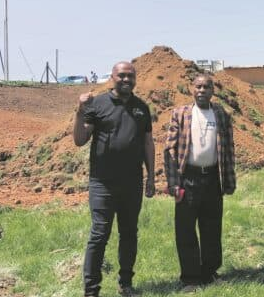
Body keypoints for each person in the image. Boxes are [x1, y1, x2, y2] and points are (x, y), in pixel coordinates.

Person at [74, 61, 155, 297]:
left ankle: (126, 284)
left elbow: (148, 143)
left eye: (131, 76)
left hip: (132, 183)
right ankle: (91, 291)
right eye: (121, 76)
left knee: (129, 233)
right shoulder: (97, 104)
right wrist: (79, 110)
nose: (126, 80)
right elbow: (80, 139)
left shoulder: (142, 108)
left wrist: (151, 177)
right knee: (99, 234)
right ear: (112, 77)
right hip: (103, 182)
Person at [164, 74, 236, 292]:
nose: (202, 90)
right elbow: (169, 150)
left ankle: (209, 273)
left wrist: (229, 180)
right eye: (198, 86)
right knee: (185, 230)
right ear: (191, 89)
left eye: (207, 87)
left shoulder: (221, 114)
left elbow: (229, 148)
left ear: (213, 90)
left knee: (212, 228)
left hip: (213, 178)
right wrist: (174, 182)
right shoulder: (181, 114)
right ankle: (190, 278)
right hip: (189, 180)